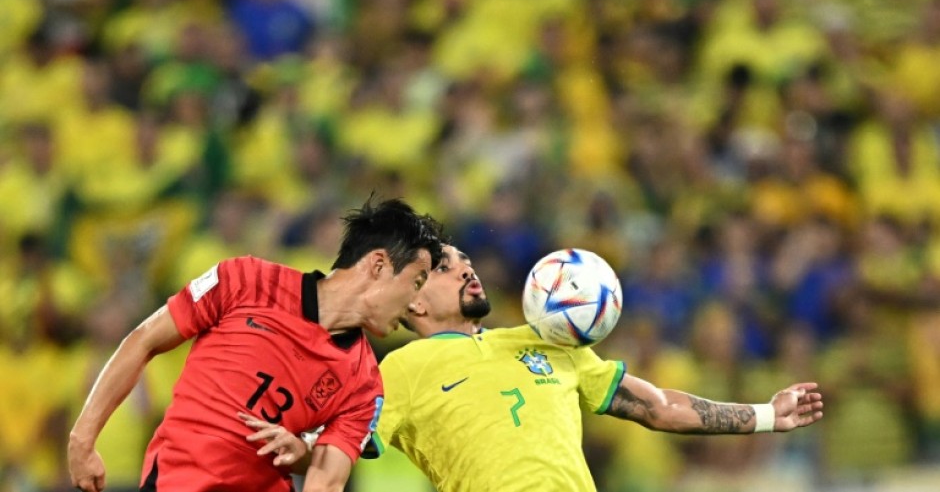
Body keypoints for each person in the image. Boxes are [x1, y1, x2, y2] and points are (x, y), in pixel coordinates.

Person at [243, 245, 824, 491]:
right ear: (414, 298)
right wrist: (293, 445)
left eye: (468, 261)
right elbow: (334, 446)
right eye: (448, 267)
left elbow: (659, 407)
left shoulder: (550, 343)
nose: (469, 270)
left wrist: (767, 415)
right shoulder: (397, 369)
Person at [68, 197, 445, 492]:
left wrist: (303, 453)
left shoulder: (364, 383)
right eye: (415, 282)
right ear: (378, 265)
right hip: (175, 481)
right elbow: (145, 339)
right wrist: (83, 438)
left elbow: (327, 480)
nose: (416, 305)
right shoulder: (245, 280)